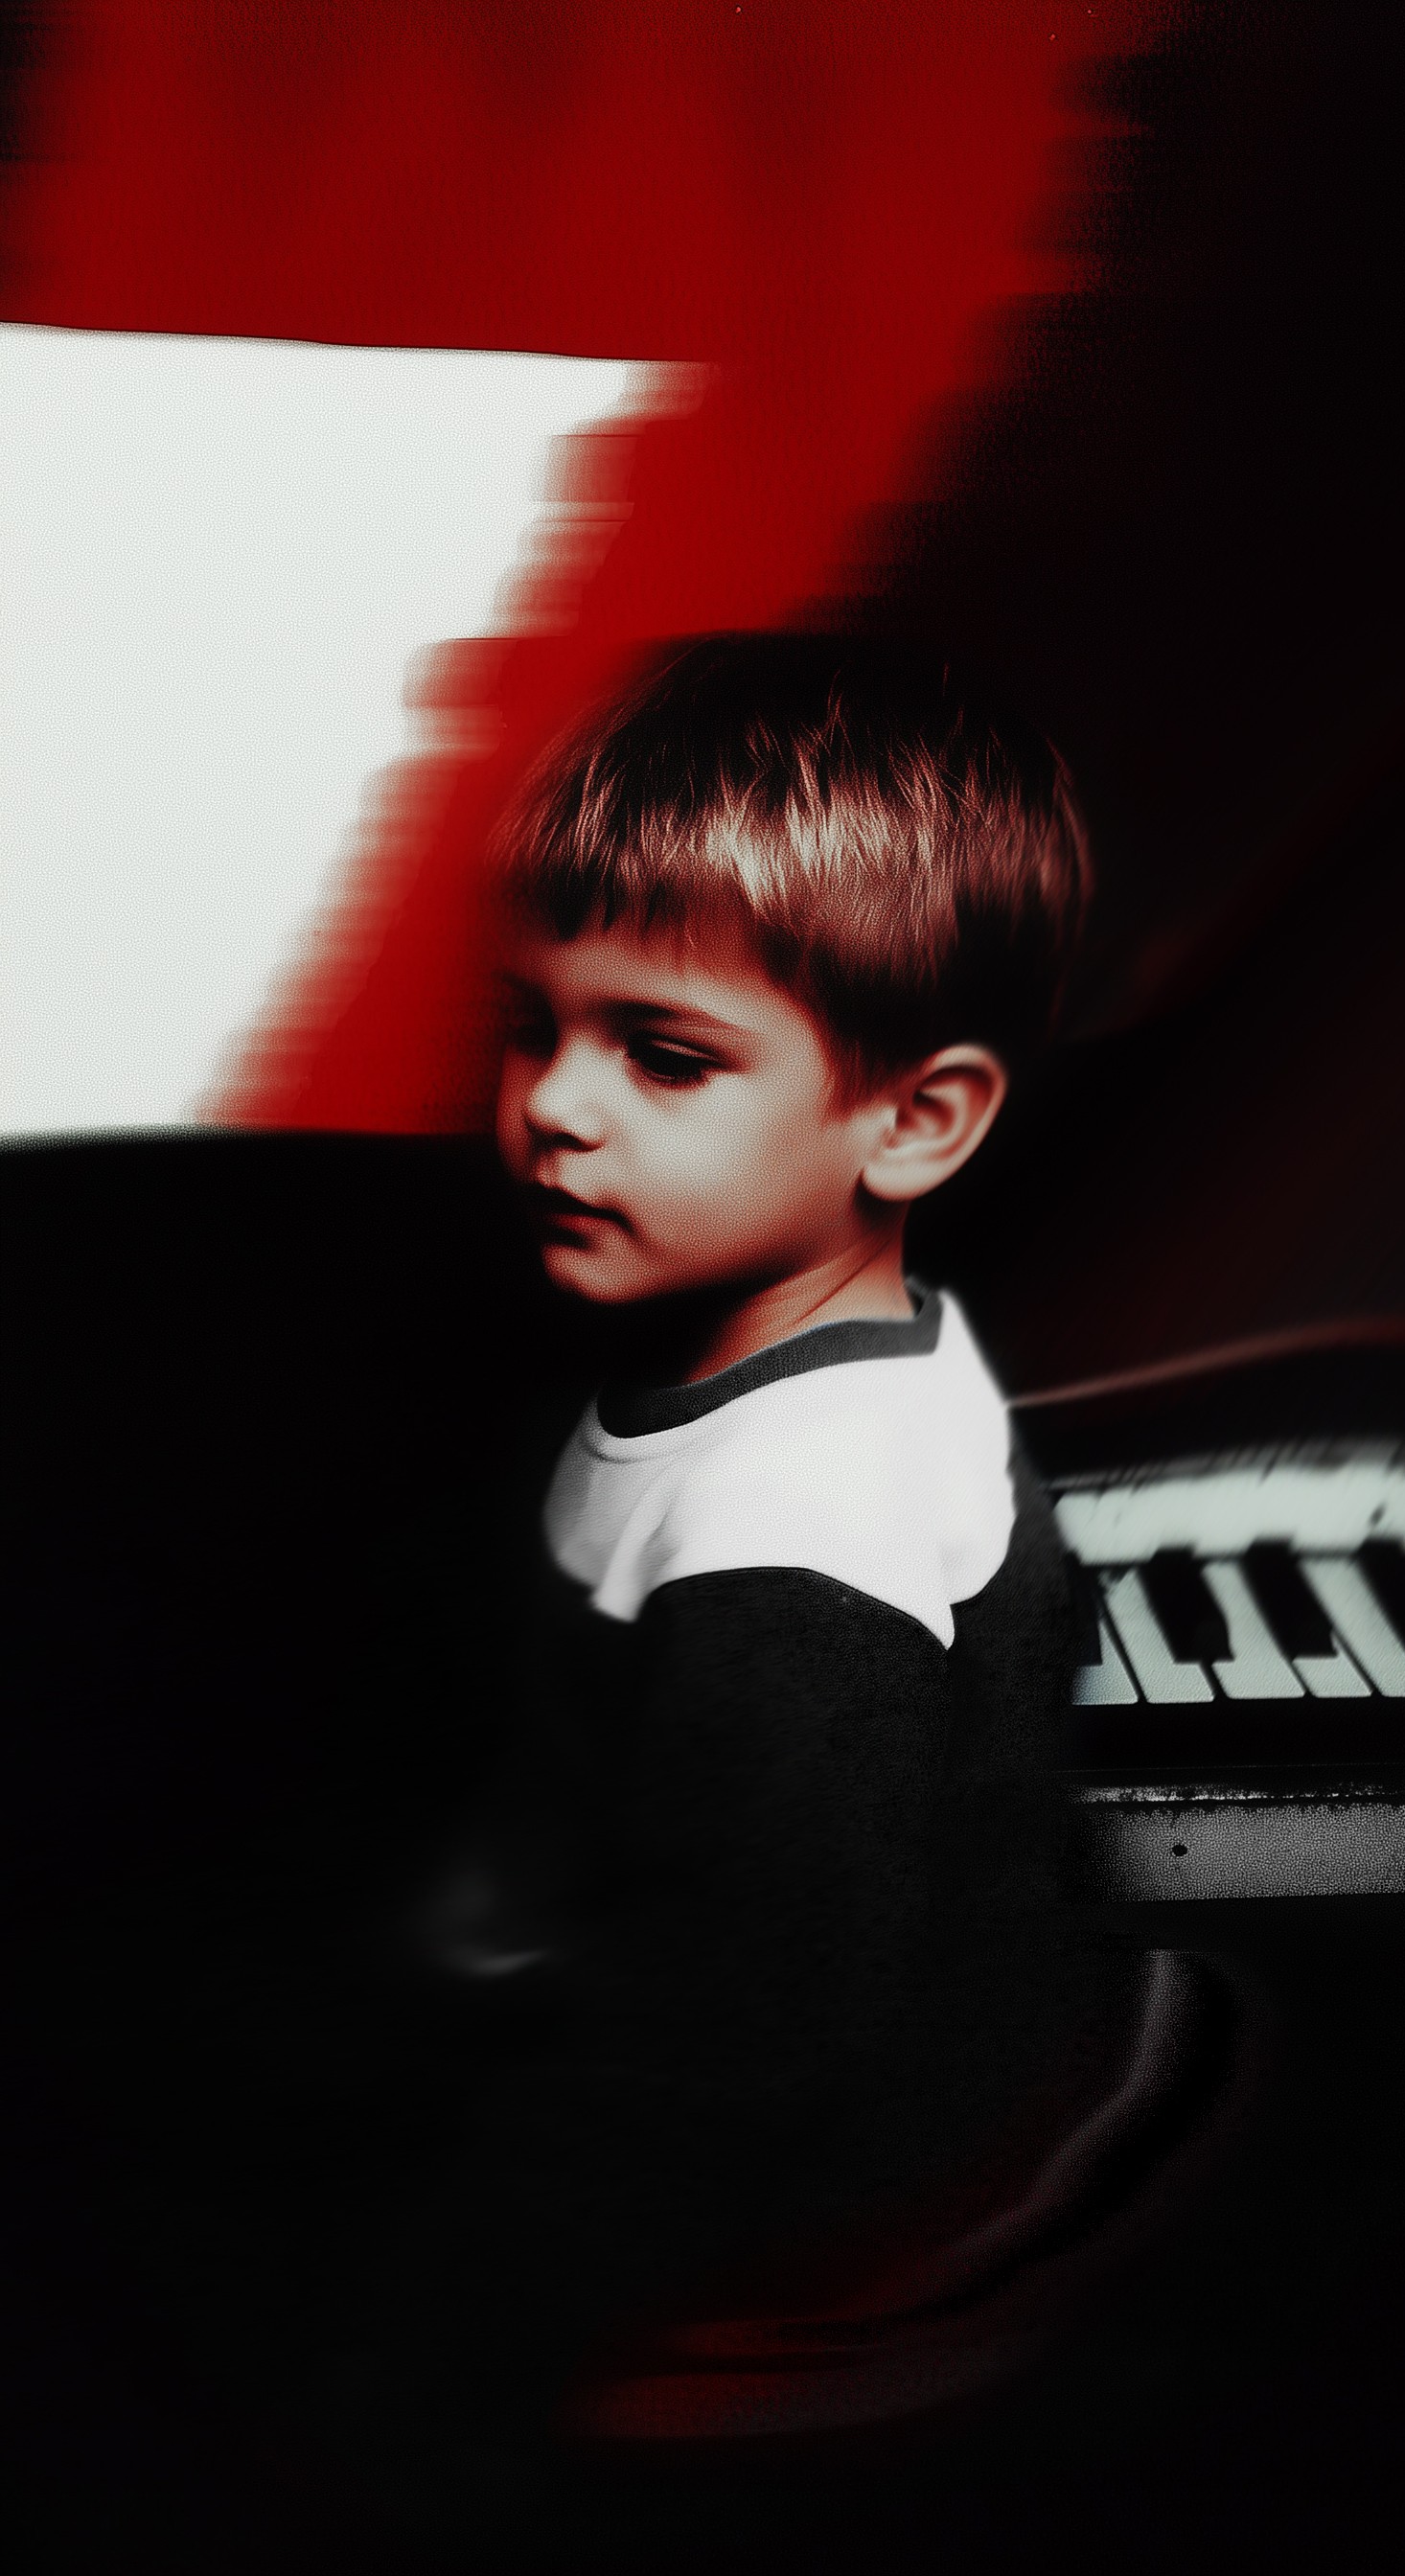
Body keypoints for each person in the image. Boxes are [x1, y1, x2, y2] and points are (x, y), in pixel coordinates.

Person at [271, 632, 1096, 2518]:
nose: (554, 1106)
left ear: (915, 1119)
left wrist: (450, 2337)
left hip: (818, 2166)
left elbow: (735, 2044)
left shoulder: (797, 1555)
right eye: (530, 1025)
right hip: (689, 1959)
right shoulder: (798, 1342)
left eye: (660, 1054)